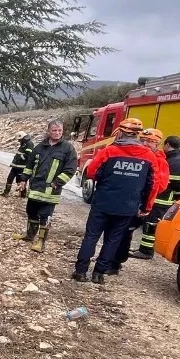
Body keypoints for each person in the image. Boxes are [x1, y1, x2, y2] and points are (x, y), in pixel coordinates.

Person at [72, 121, 167, 283]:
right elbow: (153, 185)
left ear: (120, 133)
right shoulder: (149, 156)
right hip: (127, 207)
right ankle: (99, 274)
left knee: (91, 237)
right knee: (113, 240)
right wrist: (146, 207)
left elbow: (92, 172)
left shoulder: (109, 151)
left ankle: (80, 272)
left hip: (103, 203)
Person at [17, 119, 78, 253]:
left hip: (51, 190)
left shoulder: (68, 148)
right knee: (31, 211)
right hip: (35, 188)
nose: (57, 133)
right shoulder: (39, 147)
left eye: (60, 131)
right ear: (48, 131)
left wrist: (56, 183)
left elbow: (70, 169)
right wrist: (23, 180)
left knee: (45, 216)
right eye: (54, 130)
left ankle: (41, 242)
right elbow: (29, 165)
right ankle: (30, 235)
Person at [134, 134, 180, 260]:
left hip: (163, 199)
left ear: (167, 145)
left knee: (152, 224)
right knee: (148, 223)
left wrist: (178, 196)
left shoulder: (176, 161)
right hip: (160, 198)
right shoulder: (174, 159)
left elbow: (179, 183)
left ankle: (146, 251)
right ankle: (143, 249)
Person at [3, 132, 35, 196]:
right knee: (10, 178)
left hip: (21, 167)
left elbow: (28, 155)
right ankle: (6, 192)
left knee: (19, 181)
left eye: (19, 139)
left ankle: (23, 194)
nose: (18, 140)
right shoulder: (24, 143)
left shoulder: (29, 143)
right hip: (15, 166)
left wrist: (20, 158)